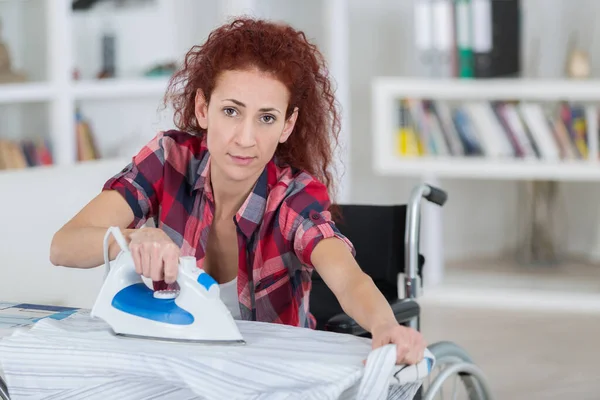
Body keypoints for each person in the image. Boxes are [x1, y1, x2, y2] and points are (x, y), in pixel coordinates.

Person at [50, 17, 426, 366]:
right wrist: (133, 239)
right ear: (202, 107)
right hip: (175, 365)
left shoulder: (293, 198)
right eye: (231, 111)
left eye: (266, 118)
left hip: (270, 375)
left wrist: (384, 325)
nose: (246, 139)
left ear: (287, 125)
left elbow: (348, 278)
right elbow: (63, 246)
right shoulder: (168, 160)